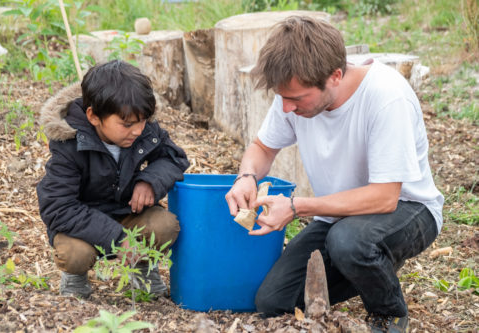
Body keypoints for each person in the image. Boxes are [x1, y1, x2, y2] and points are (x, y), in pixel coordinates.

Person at [225, 16, 443, 333]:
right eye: (282, 97)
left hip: (409, 210)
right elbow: (263, 147)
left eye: (296, 99)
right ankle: (367, 265)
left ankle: (388, 313)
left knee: (349, 242)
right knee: (273, 301)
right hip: (337, 215)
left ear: (335, 76)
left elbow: (385, 197)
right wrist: (246, 177)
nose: (286, 108)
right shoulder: (293, 90)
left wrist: (297, 207)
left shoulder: (386, 96)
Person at [37, 60, 189, 299]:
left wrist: (149, 181)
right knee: (75, 254)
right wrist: (117, 239)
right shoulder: (69, 143)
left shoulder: (142, 127)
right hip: (82, 222)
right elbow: (58, 206)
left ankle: (142, 267)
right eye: (127, 124)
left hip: (128, 211)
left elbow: (173, 158)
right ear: (94, 117)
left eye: (142, 121)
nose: (138, 131)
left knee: (165, 226)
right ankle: (75, 277)